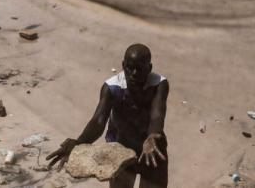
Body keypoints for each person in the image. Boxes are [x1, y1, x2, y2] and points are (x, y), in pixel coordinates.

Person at [47, 43, 169, 188]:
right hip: (121, 149)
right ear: (123, 65)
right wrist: (79, 142)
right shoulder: (112, 88)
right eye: (130, 67)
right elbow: (99, 121)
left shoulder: (159, 84)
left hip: (152, 149)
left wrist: (152, 136)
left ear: (149, 68)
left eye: (140, 69)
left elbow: (157, 115)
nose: (134, 73)